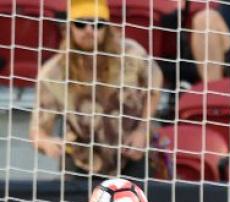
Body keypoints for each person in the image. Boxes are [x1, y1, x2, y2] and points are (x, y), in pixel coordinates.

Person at [30, 0, 163, 179]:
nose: (89, 30)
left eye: (97, 24)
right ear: (69, 28)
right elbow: (38, 130)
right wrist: (46, 143)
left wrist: (142, 129)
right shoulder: (53, 73)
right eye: (80, 24)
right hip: (81, 161)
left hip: (131, 153)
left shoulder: (131, 54)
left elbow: (155, 83)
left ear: (106, 28)